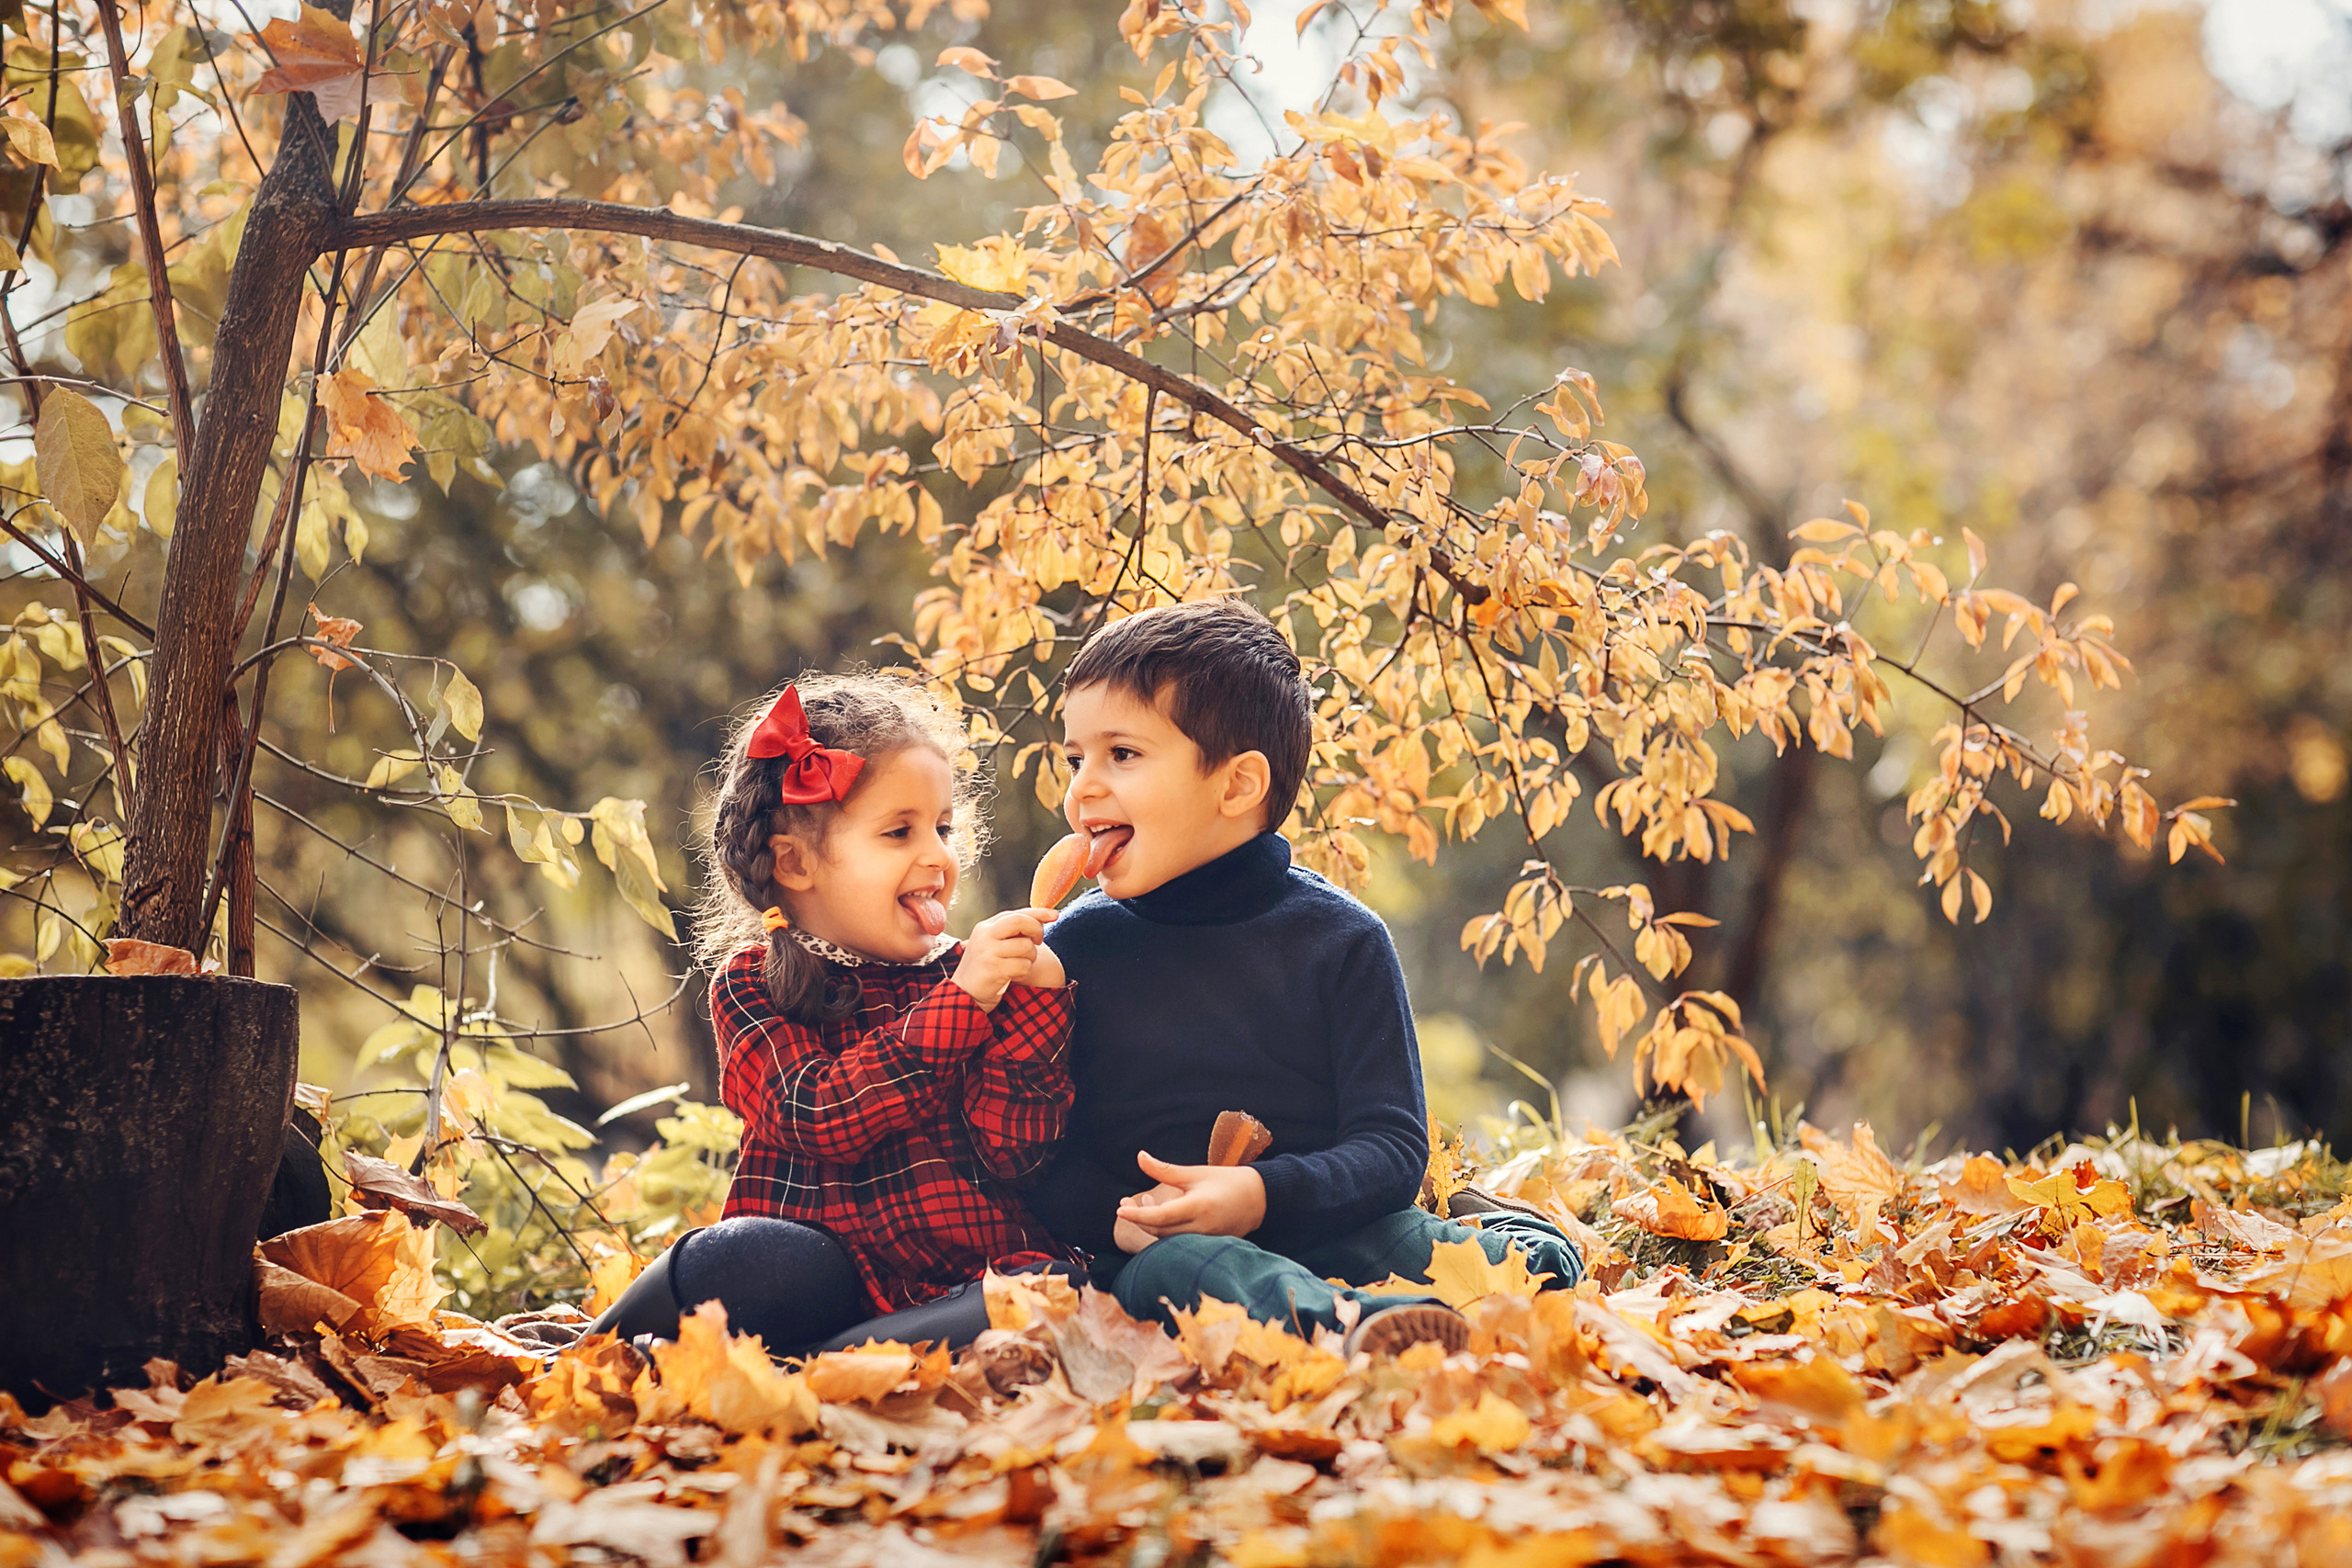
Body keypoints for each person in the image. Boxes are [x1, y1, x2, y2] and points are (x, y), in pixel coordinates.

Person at [1025, 600, 1582, 1356]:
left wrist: (1261, 1195)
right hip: (1173, 1248)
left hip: (1336, 1221)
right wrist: (1120, 1215)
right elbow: (1045, 1160)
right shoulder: (1075, 950)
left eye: (1121, 753)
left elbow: (1389, 1145)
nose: (1082, 788)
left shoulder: (1342, 939)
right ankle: (1356, 1326)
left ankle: (1505, 1232)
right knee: (1184, 1271)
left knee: (1513, 1266)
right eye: (1073, 758)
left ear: (1237, 785)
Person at [587, 672, 1076, 1356]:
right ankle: (590, 1347)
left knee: (1048, 1289)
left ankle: (829, 1365)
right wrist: (959, 1006)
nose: (937, 855)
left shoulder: (964, 974)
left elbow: (1013, 1153)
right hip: (817, 1274)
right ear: (794, 862)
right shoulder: (753, 983)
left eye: (942, 827)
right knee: (739, 1258)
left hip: (953, 1279)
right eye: (899, 831)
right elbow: (817, 1114)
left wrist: (1036, 1008)